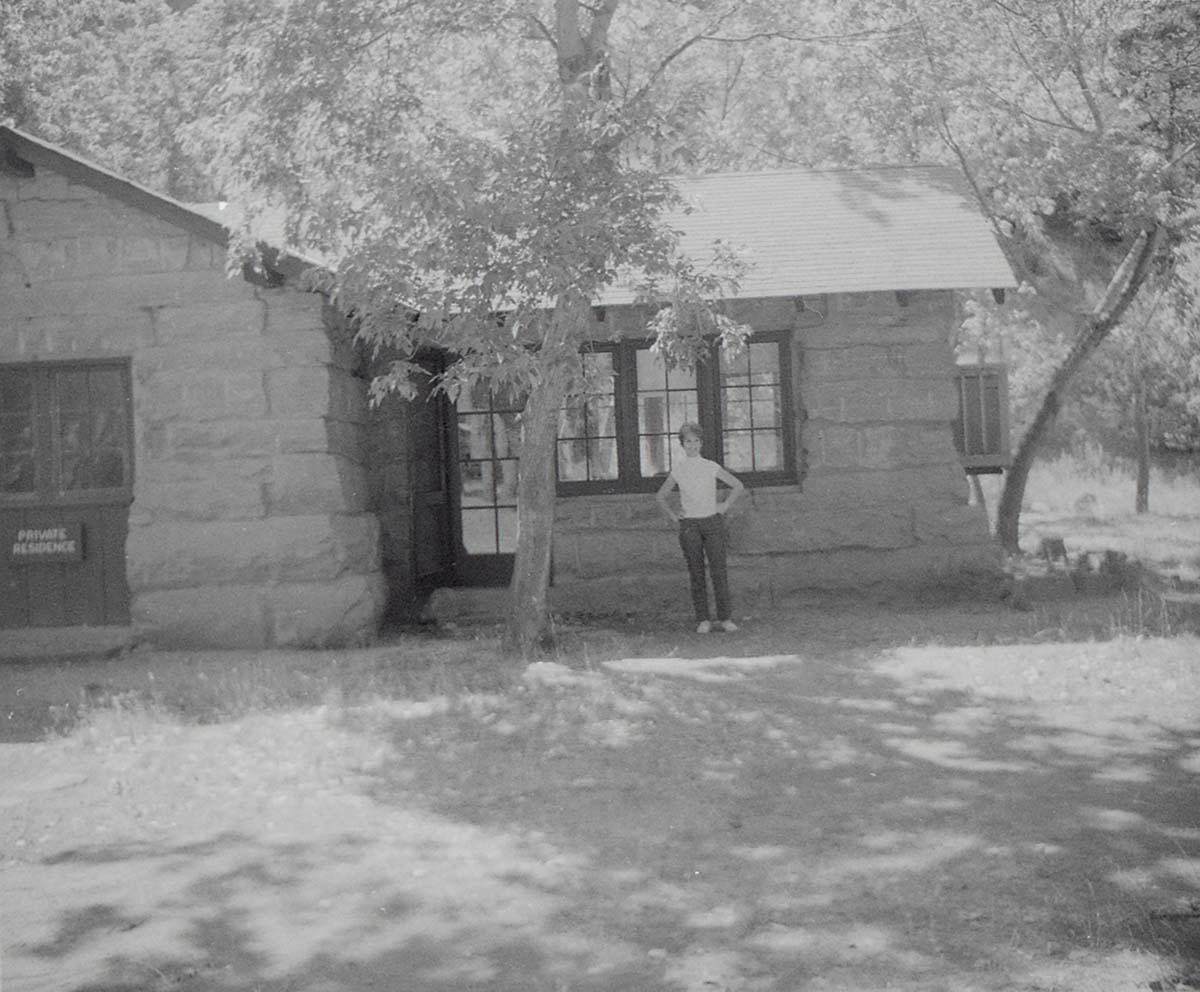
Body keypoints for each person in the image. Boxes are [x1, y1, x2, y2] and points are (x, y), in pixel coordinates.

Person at [656, 422, 745, 633]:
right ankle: (703, 619)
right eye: (688, 441)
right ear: (682, 444)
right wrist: (674, 516)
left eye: (696, 441)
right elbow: (660, 496)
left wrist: (724, 505)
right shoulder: (678, 469)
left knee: (718, 570)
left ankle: (725, 618)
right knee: (696, 572)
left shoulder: (710, 466)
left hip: (712, 522)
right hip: (690, 526)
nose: (692, 445)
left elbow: (738, 485)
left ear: (701, 443)